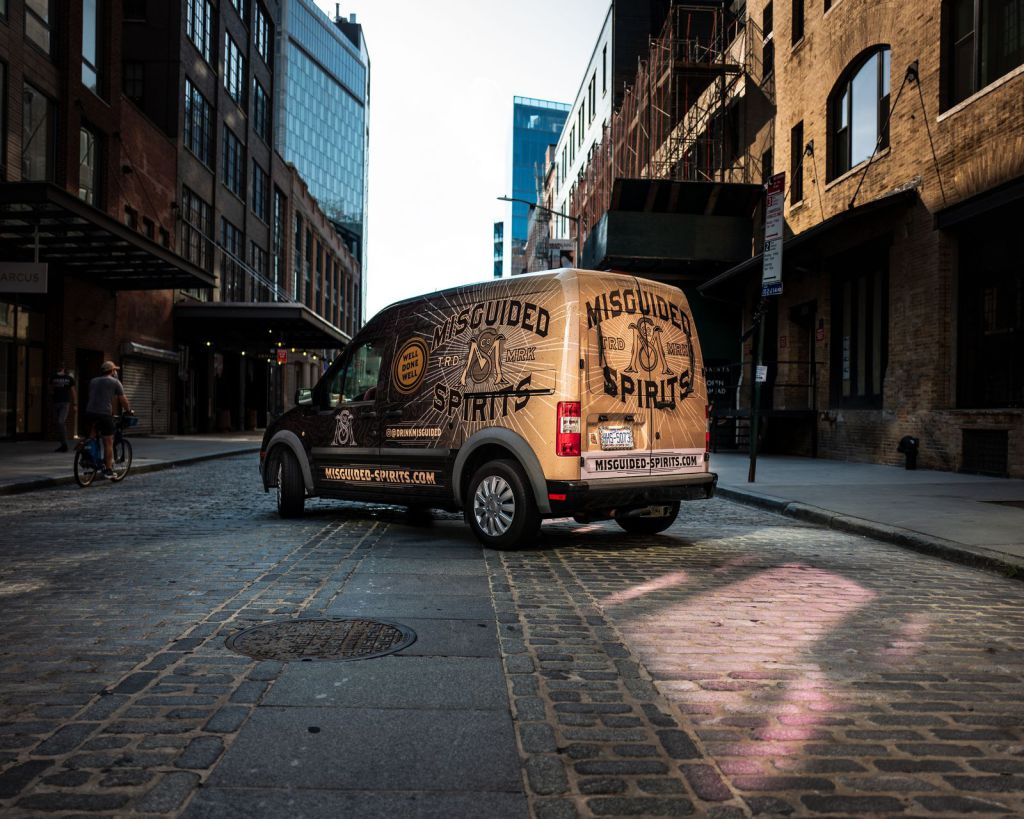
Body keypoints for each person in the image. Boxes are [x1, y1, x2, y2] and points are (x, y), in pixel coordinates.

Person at [84, 361, 132, 479]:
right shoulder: (115, 382)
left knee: (92, 437)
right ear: (111, 371)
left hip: (90, 413)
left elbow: (98, 396)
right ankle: (109, 469)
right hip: (104, 414)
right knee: (108, 441)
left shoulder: (93, 381)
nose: (116, 372)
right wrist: (129, 410)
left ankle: (88, 457)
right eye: (115, 369)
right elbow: (123, 399)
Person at [49, 362, 77, 452]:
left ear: (63, 368)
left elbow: (73, 392)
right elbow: (50, 388)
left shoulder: (69, 378)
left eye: (61, 367)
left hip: (65, 403)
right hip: (56, 402)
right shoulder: (53, 377)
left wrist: (75, 404)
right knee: (57, 423)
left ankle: (64, 444)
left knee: (60, 422)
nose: (60, 368)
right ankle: (62, 444)